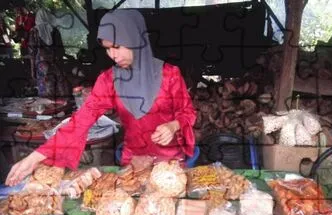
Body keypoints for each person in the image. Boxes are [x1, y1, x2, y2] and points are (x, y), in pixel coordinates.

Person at [5, 9, 197, 186]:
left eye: (117, 46)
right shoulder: (109, 80)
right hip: (133, 163)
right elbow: (80, 122)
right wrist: (34, 158)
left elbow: (187, 113)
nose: (112, 55)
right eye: (107, 48)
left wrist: (173, 126)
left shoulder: (170, 74)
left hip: (170, 163)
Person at [28, 8, 70, 99]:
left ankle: (48, 110)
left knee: (46, 88)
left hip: (42, 65)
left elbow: (32, 53)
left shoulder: (34, 31)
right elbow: (61, 50)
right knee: (59, 87)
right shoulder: (54, 30)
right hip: (56, 63)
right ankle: (63, 107)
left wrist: (32, 71)